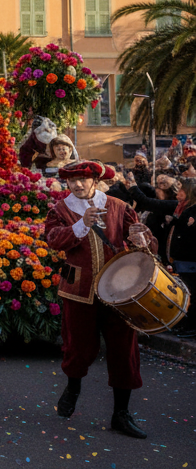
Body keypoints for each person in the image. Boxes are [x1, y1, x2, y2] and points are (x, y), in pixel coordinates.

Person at [44, 160, 155, 439]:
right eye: (72, 181)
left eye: (83, 179)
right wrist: (81, 224)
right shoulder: (61, 209)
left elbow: (144, 238)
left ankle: (121, 413)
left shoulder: (118, 206)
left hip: (118, 292)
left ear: (95, 180)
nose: (78, 185)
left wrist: (142, 240)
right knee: (78, 348)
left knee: (124, 350)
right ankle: (73, 387)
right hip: (78, 291)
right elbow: (54, 239)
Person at [163, 178, 196, 338]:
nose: (178, 192)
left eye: (181, 189)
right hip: (180, 259)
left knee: (190, 294)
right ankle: (183, 324)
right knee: (185, 293)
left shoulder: (192, 211)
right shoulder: (181, 209)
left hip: (189, 260)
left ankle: (190, 326)